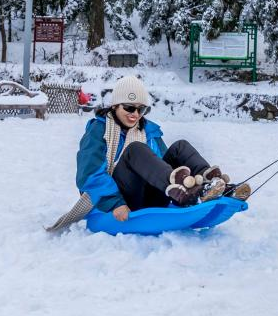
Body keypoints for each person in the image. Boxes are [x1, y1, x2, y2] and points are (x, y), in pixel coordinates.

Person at [76, 76, 250, 222]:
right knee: (135, 149)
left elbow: (161, 166)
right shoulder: (99, 131)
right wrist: (114, 203)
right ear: (114, 106)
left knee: (180, 147)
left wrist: (187, 179)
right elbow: (89, 174)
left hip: (153, 194)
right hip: (121, 198)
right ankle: (180, 191)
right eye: (129, 107)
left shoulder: (149, 131)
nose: (135, 114)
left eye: (141, 109)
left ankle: (212, 186)